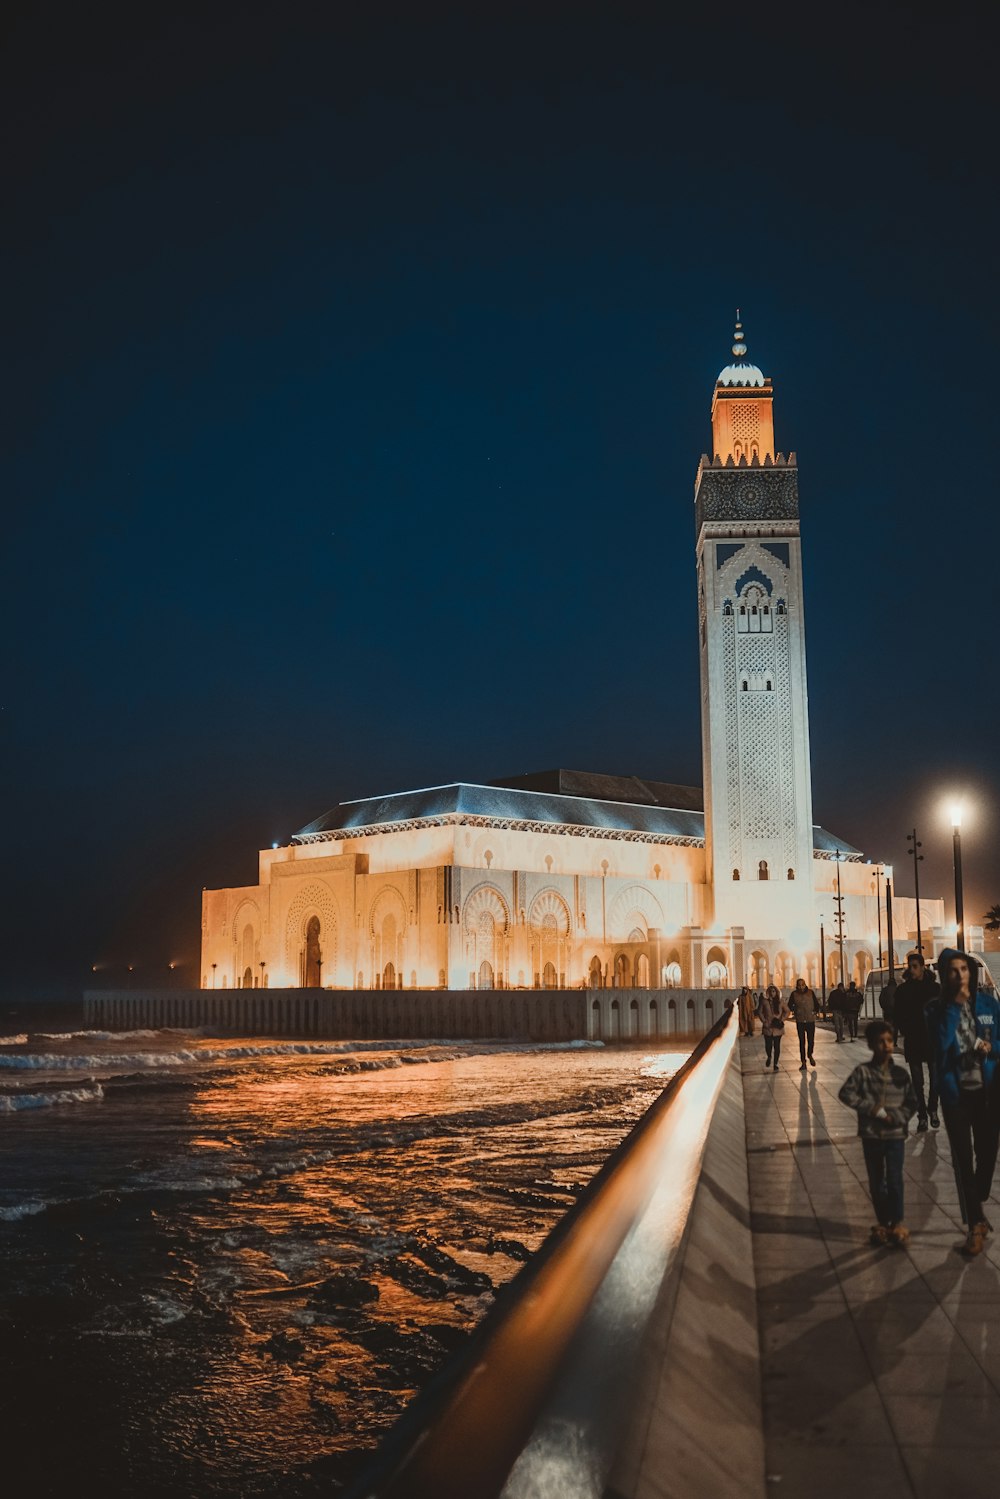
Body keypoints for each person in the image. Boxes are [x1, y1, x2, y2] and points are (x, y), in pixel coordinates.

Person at [925, 948, 1000, 1257]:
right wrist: (954, 1006)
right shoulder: (935, 1009)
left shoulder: (988, 1003)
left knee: (987, 1155)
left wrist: (990, 1046)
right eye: (953, 970)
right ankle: (974, 1224)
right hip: (956, 1095)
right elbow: (940, 1045)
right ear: (946, 975)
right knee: (963, 1161)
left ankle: (978, 1199)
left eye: (964, 969)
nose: (960, 975)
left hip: (988, 1092)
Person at [838, 1019, 918, 1246]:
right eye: (880, 1041)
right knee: (876, 1181)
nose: (886, 1045)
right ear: (871, 1045)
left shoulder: (901, 1074)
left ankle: (897, 1221)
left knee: (894, 1179)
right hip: (872, 1135)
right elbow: (846, 1093)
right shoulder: (863, 1072)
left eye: (890, 1041)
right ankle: (884, 1221)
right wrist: (871, 1109)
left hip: (895, 1135)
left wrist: (899, 1118)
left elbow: (912, 1102)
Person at [893, 951, 941, 1132]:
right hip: (913, 1039)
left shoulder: (935, 989)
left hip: (932, 1039)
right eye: (910, 966)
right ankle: (922, 1115)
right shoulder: (903, 990)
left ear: (922, 967)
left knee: (936, 1079)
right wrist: (899, 1033)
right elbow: (897, 1015)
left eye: (915, 966)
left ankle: (933, 1108)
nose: (912, 970)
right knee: (917, 1082)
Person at [759, 984, 791, 1073]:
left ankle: (775, 1064)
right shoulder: (764, 1002)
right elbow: (760, 1012)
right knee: (768, 1045)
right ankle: (769, 1056)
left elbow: (787, 1011)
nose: (772, 993)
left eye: (773, 991)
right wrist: (764, 1021)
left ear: (776, 992)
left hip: (777, 1028)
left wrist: (782, 1019)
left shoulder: (780, 1002)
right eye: (770, 991)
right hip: (768, 1027)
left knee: (777, 1047)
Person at [789, 976, 818, 1071]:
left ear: (805, 985)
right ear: (797, 986)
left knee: (811, 1041)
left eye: (802, 985)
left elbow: (817, 1004)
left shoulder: (811, 993)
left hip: (810, 1020)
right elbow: (789, 1005)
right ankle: (803, 1062)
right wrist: (795, 1010)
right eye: (799, 985)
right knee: (802, 1042)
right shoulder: (794, 994)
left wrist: (815, 1012)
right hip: (800, 1021)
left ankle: (810, 1055)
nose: (801, 987)